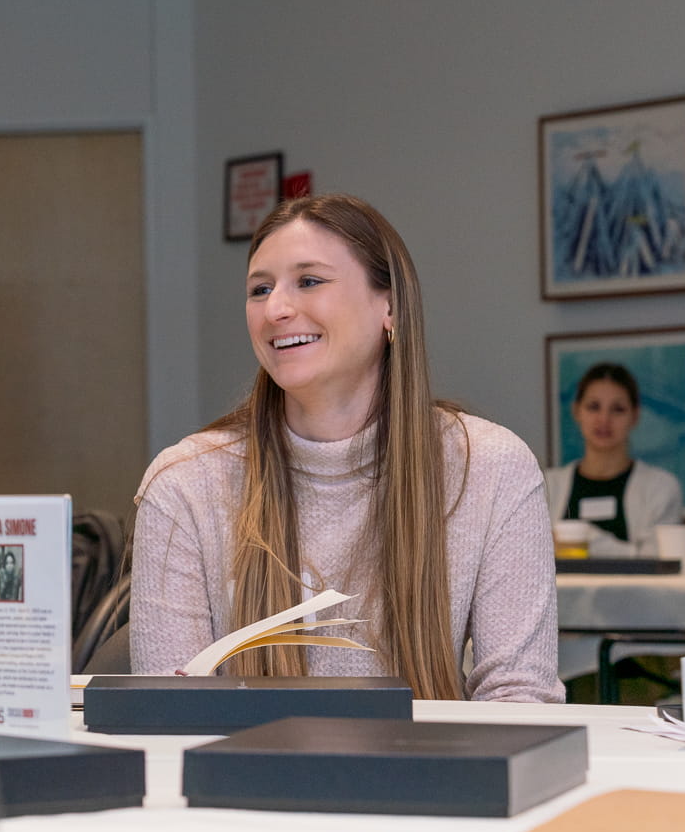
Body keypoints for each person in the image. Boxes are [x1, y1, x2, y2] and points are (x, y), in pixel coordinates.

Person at [131, 194, 559, 702]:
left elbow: (520, 701)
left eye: (309, 281)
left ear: (390, 306)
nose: (276, 309)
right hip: (240, 778)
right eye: (259, 289)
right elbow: (166, 720)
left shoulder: (490, 467)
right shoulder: (184, 483)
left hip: (428, 776)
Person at [543, 362, 683, 557]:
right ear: (576, 412)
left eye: (617, 409)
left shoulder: (661, 487)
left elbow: (655, 561)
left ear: (635, 415)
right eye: (593, 407)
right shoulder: (547, 487)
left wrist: (589, 541)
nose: (604, 419)